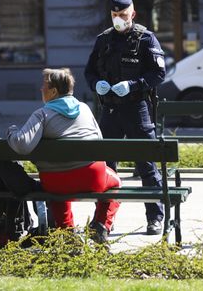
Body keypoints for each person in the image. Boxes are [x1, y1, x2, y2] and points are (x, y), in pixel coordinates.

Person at [7, 68, 121, 243]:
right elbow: (99, 142)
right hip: (92, 178)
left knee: (58, 190)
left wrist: (12, 131)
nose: (41, 89)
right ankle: (101, 224)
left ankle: (67, 233)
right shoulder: (85, 108)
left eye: (44, 86)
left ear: (53, 91)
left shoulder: (42, 114)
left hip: (55, 182)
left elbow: (22, 144)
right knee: (116, 183)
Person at [84, 0, 166, 235]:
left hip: (136, 109)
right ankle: (103, 222)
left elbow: (158, 74)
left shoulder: (146, 39)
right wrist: (95, 83)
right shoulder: (104, 40)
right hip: (110, 109)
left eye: (122, 14)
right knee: (106, 169)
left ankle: (155, 218)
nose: (118, 18)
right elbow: (89, 71)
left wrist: (133, 85)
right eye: (114, 15)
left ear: (133, 14)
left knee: (147, 166)